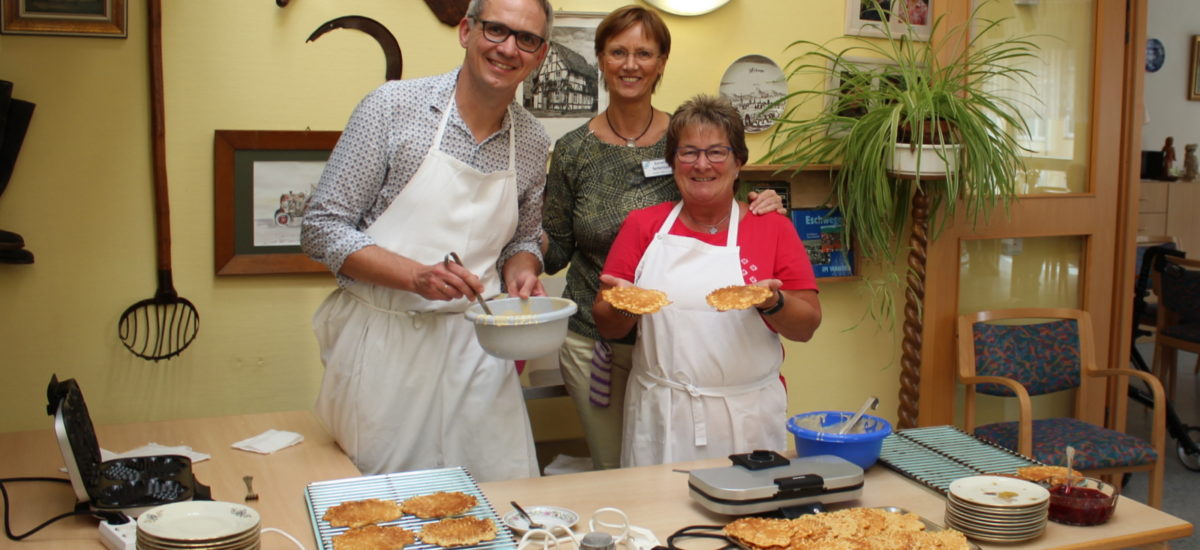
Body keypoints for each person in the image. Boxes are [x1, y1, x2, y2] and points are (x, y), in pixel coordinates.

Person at [300, 0, 554, 482]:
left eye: (526, 39)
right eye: (496, 30)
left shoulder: (533, 140)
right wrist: (415, 276)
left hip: (477, 350)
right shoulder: (392, 109)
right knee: (381, 506)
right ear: (466, 31)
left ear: (540, 55)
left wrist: (523, 269)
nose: (507, 48)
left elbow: (522, 238)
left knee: (497, 493)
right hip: (387, 347)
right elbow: (321, 227)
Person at [542, 5, 782, 470]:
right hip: (599, 344)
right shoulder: (572, 150)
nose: (631, 64)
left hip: (684, 341)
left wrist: (764, 204)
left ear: (662, 63)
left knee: (687, 470)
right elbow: (556, 247)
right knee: (620, 471)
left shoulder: (686, 136)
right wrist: (513, 244)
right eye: (618, 52)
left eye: (644, 53)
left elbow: (720, 198)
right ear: (600, 59)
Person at [593, 95, 822, 467]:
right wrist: (623, 304)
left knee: (751, 519)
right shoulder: (643, 225)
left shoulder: (773, 228)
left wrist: (772, 303)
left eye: (717, 152)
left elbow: (807, 326)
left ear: (738, 163)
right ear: (672, 162)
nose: (702, 165)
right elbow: (607, 322)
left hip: (749, 414)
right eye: (688, 153)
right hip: (662, 411)